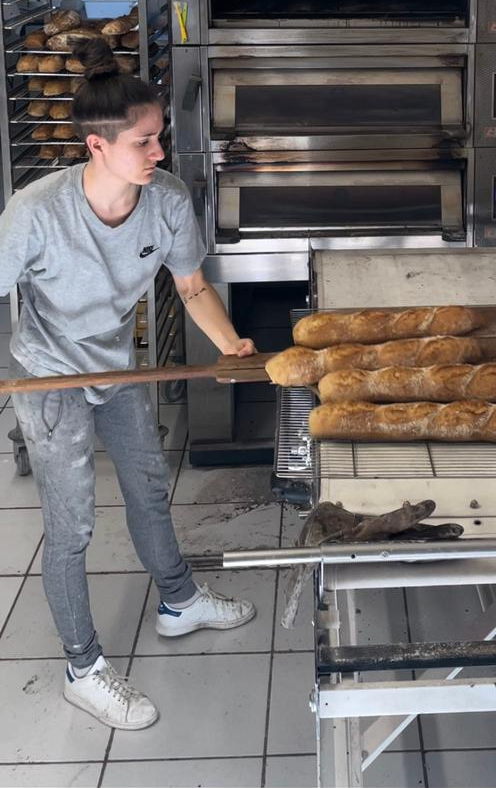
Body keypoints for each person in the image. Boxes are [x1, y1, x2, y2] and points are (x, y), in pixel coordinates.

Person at [0, 38, 257, 731]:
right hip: (50, 376)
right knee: (73, 519)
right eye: (145, 142)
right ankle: (83, 665)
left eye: (160, 138)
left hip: (119, 365)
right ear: (96, 145)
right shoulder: (35, 211)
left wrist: (229, 341)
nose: (160, 153)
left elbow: (192, 285)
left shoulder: (166, 201)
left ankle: (178, 601)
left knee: (148, 485)